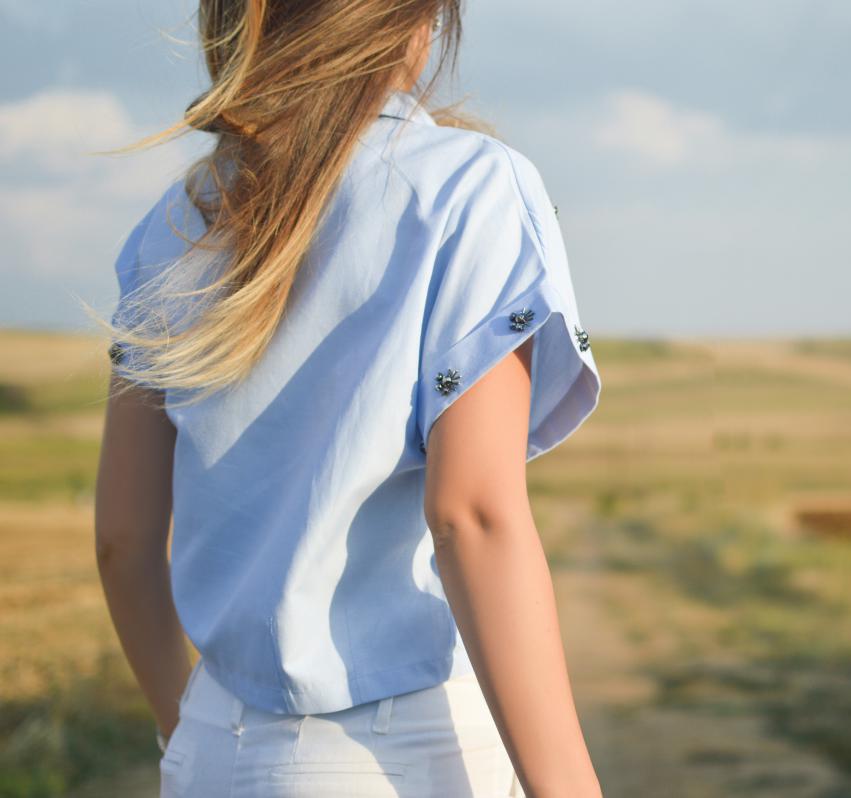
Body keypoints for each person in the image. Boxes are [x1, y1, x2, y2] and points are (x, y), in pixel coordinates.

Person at [89, 2, 603, 796]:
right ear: (420, 27)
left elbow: (122, 541)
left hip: (209, 750)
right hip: (405, 753)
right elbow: (472, 515)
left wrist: (184, 730)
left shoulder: (174, 222)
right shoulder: (471, 186)